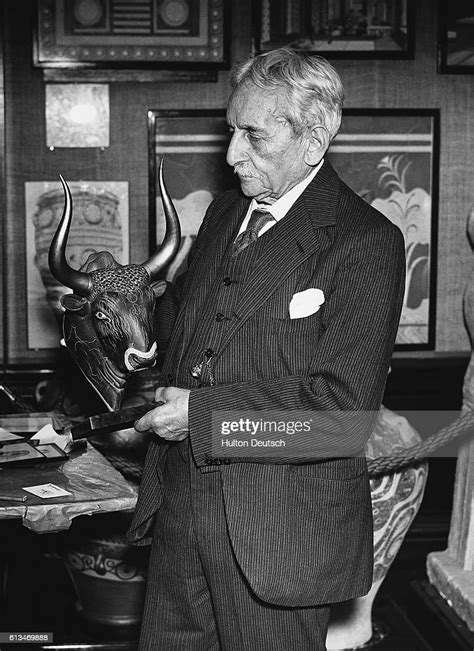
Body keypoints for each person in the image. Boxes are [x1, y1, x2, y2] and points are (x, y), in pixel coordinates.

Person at [127, 47, 406, 650]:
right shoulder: (227, 213)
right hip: (180, 515)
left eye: (254, 135)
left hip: (277, 537)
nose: (231, 155)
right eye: (232, 131)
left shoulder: (364, 241)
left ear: (315, 137)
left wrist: (201, 418)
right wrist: (122, 324)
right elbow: (180, 330)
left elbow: (340, 420)